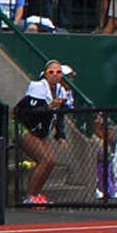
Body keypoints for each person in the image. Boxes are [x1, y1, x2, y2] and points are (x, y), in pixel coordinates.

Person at [16, 59, 74, 206]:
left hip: (41, 130)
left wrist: (60, 135)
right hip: (24, 126)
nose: (55, 75)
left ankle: (36, 194)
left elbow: (60, 115)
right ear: (45, 74)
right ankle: (29, 197)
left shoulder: (61, 91)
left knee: (51, 161)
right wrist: (49, 107)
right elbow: (29, 112)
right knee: (44, 159)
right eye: (51, 72)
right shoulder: (37, 87)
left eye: (58, 72)